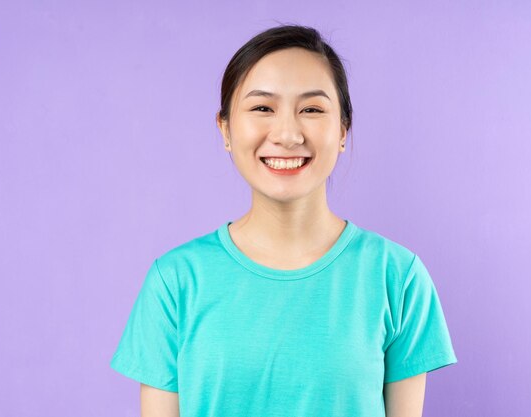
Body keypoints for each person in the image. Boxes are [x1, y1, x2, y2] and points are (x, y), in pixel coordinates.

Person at [110, 24, 457, 417]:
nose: (288, 134)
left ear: (343, 130)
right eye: (262, 108)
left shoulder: (398, 278)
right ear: (225, 129)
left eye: (311, 109)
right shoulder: (174, 282)